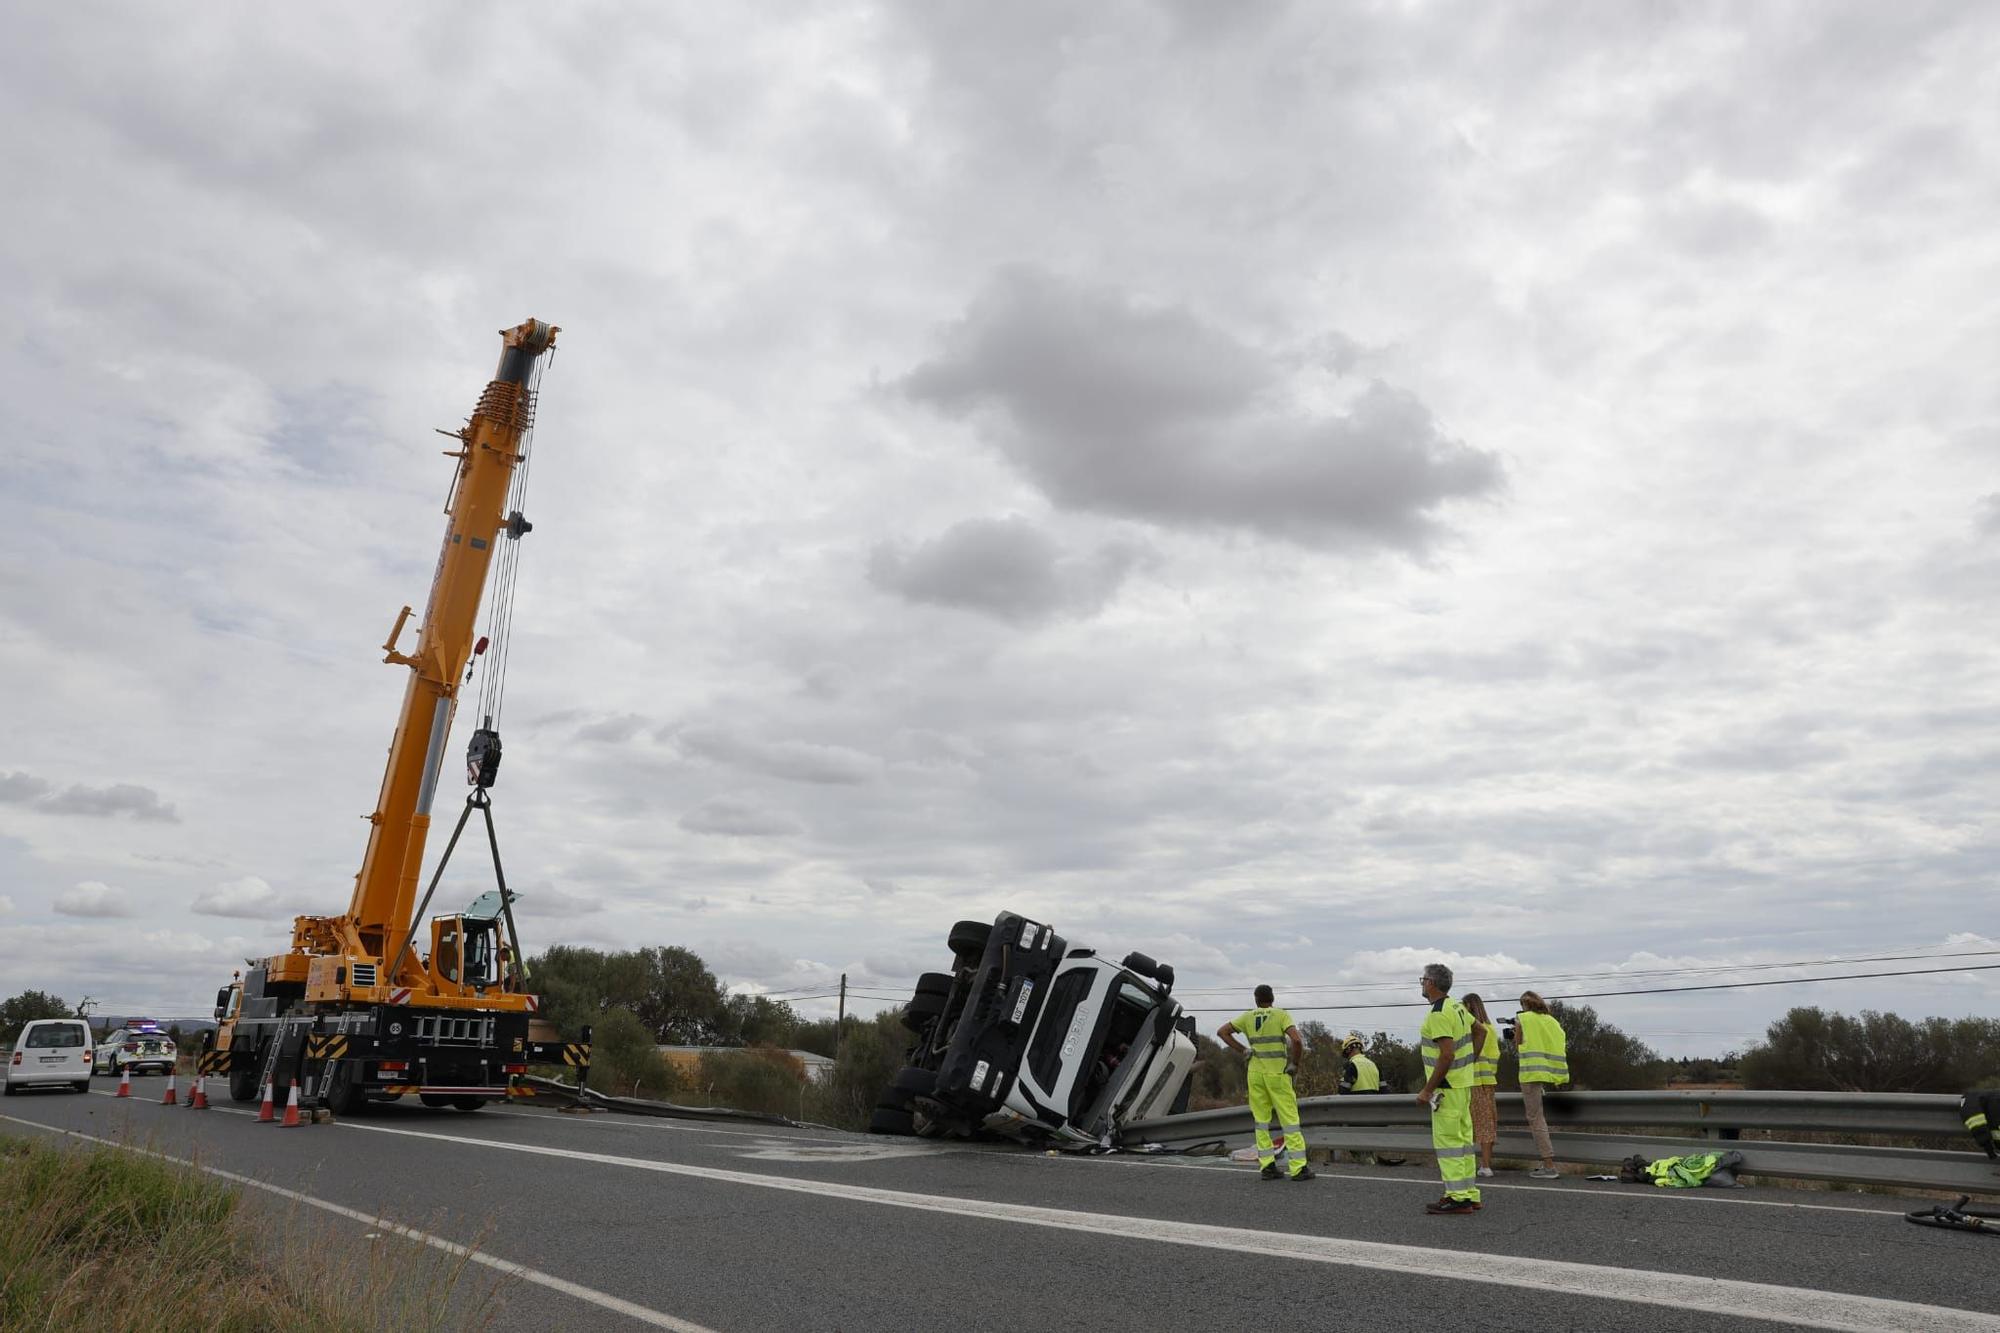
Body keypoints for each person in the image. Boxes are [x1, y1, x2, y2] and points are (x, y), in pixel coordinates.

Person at [1217, 985, 1314, 1181]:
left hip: (1255, 1075)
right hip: (1277, 1074)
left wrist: (1243, 1050)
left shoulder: (1247, 1017)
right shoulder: (1280, 1015)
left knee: (1261, 1122)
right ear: (1272, 998)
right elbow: (1296, 1040)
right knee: (1290, 1120)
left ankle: (1267, 1166)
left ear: (1256, 999)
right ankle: (1298, 1168)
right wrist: (1295, 1063)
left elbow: (1222, 1032)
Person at [1415, 962, 1480, 1214]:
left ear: (1431, 983)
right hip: (1463, 1084)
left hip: (1447, 1088)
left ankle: (1457, 1198)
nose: (1421, 984)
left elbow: (1446, 1055)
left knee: (1449, 1143)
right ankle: (1469, 1193)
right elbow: (1481, 1032)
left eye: (1422, 980)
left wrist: (1427, 1090)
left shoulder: (1439, 1013)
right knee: (1463, 1142)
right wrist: (1469, 1064)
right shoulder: (1457, 1006)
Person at [1514, 990, 1569, 1179]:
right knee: (1538, 1118)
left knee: (1536, 1119)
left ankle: (1549, 1165)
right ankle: (1547, 1164)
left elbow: (1518, 1044)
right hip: (1547, 1073)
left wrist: (1515, 1032)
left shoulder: (1523, 1019)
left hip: (1530, 1073)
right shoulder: (1551, 1021)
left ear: (1525, 1005)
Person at [1460, 993, 1499, 1178]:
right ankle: (1485, 1165)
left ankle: (1476, 1165)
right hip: (1488, 1081)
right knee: (1487, 1123)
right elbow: (1495, 1056)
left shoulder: (1471, 1030)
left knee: (1469, 1125)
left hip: (1472, 1081)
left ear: (1469, 1006)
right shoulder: (1490, 1029)